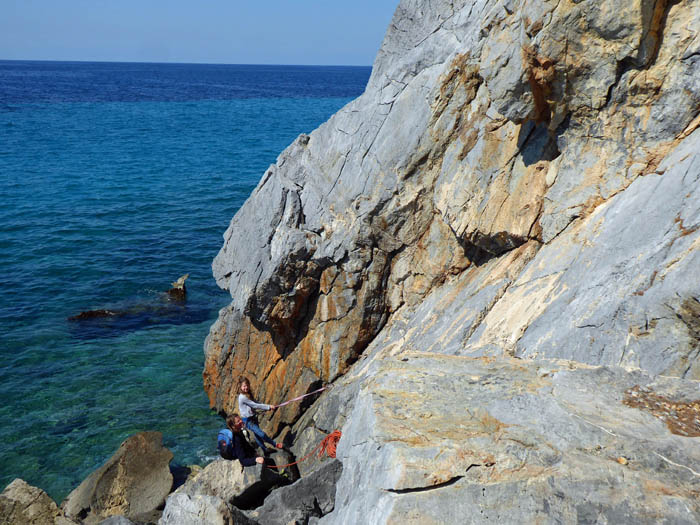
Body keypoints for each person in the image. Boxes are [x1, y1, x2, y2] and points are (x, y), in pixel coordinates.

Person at [237, 376, 283, 453]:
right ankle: (275, 444)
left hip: (253, 417)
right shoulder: (242, 397)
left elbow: (256, 403)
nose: (246, 387)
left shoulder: (248, 394)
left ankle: (265, 450)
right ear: (240, 387)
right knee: (261, 434)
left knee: (257, 435)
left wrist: (268, 406)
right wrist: (268, 407)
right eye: (244, 386)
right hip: (248, 420)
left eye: (247, 385)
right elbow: (255, 405)